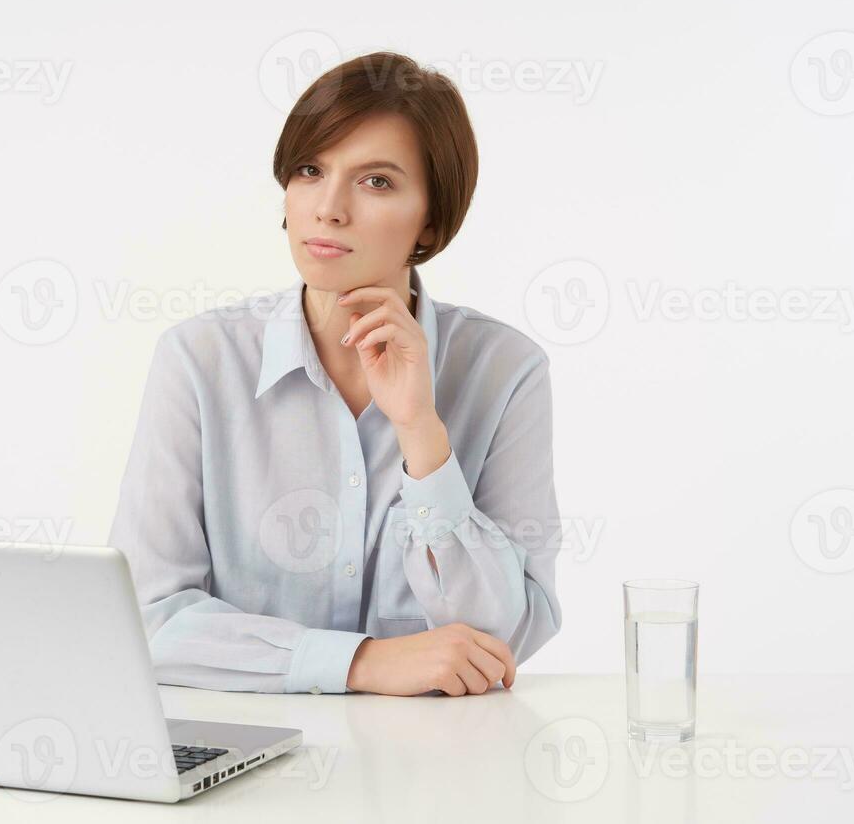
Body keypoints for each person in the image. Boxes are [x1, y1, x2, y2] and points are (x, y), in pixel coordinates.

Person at [109, 52, 562, 696]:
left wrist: (420, 431)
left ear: (430, 220)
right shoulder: (200, 360)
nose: (328, 208)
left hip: (438, 767)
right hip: (244, 759)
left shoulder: (505, 370)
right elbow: (144, 619)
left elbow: (501, 638)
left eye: (376, 181)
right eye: (309, 171)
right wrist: (361, 662)